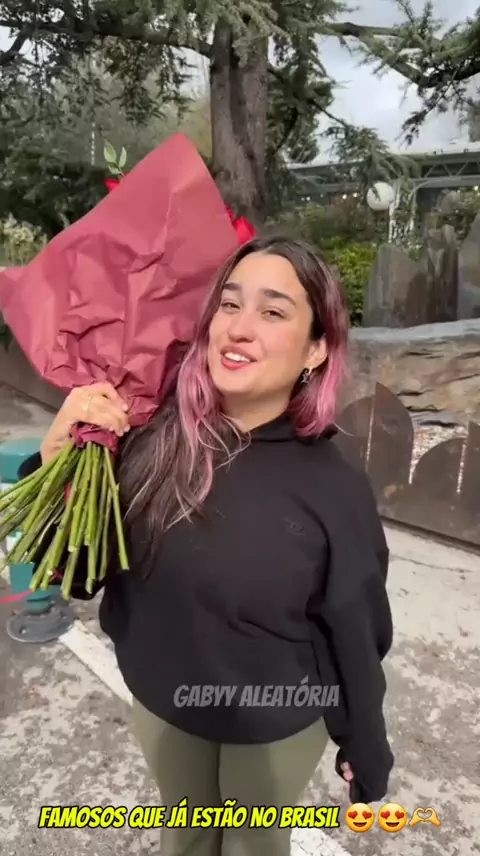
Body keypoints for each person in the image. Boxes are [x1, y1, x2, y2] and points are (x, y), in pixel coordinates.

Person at [20, 235, 394, 856]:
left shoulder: (334, 483)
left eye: (272, 311)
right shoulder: (151, 440)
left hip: (273, 720)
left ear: (316, 348)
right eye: (229, 304)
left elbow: (355, 628)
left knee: (253, 847)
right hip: (164, 707)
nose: (239, 328)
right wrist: (58, 457)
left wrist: (365, 741)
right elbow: (78, 571)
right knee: (186, 841)